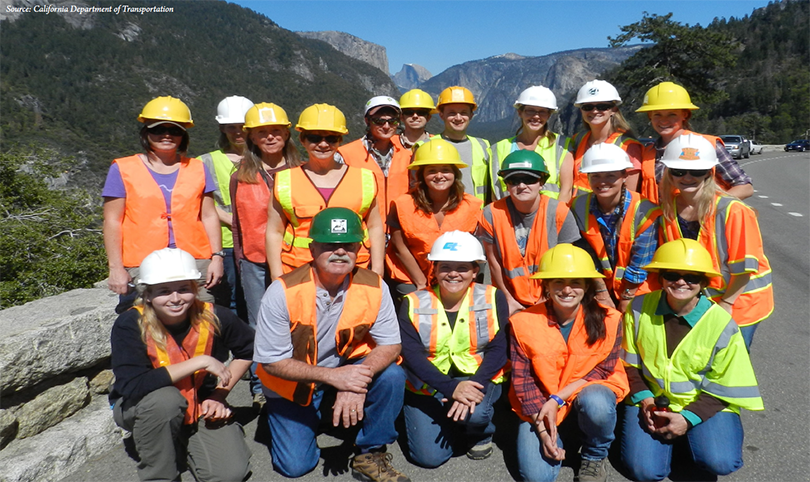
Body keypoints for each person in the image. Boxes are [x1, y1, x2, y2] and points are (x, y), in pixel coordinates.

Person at [254, 208, 410, 481]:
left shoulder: (375, 285)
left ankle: (370, 452)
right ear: (313, 249)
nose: (340, 252)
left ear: (358, 248)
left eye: (348, 245)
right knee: (295, 466)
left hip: (347, 368)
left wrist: (357, 380)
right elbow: (272, 362)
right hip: (292, 384)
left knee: (393, 375)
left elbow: (391, 346)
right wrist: (335, 378)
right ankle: (287, 417)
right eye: (329, 245)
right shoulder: (281, 292)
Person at [621, 239, 764, 482]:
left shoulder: (721, 323)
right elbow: (627, 364)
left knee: (721, 461)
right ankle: (677, 438)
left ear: (704, 283)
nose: (681, 282)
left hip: (704, 403)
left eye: (692, 277)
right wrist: (644, 400)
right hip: (651, 400)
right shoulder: (638, 307)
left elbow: (726, 385)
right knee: (645, 472)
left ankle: (689, 437)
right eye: (672, 274)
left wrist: (688, 419)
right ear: (661, 277)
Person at [109, 248, 253, 482]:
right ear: (147, 294)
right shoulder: (130, 324)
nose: (175, 298)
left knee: (229, 474)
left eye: (184, 289)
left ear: (195, 290)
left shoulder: (216, 316)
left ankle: (178, 439)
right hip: (142, 404)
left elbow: (249, 350)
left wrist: (219, 395)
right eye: (164, 291)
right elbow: (132, 386)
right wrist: (200, 361)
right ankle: (161, 474)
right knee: (166, 401)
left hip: (198, 403)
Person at [509, 244, 629, 482]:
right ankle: (560, 434)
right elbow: (523, 382)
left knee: (596, 403)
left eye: (575, 282)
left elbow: (605, 369)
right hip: (541, 404)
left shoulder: (611, 319)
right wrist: (542, 431)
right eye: (557, 282)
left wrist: (558, 398)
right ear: (546, 286)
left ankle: (594, 456)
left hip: (586, 393)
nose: (566, 289)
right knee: (536, 477)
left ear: (586, 286)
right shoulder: (522, 322)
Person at [102, 96, 223, 311]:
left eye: (174, 130)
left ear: (183, 136)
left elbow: (209, 215)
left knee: (203, 323)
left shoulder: (198, 168)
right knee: (143, 326)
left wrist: (217, 257)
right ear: (146, 133)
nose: (166, 135)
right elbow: (112, 220)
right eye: (158, 130)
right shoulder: (122, 168)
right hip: (141, 263)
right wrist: (115, 268)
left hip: (195, 259)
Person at [398, 231, 508, 467]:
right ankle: (450, 418)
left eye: (462, 268)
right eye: (445, 266)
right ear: (434, 270)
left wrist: (471, 386)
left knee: (477, 414)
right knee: (429, 459)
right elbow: (411, 355)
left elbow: (499, 349)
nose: (453, 274)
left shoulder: (493, 297)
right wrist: (451, 388)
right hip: (429, 383)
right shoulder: (412, 302)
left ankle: (480, 431)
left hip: (477, 377)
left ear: (474, 272)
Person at [657, 134, 773, 348]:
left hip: (739, 301)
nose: (687, 177)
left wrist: (727, 303)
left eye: (697, 171)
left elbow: (744, 269)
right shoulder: (667, 209)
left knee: (730, 367)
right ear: (669, 175)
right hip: (701, 301)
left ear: (710, 173)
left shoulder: (733, 210)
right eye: (679, 171)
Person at [230, 102, 302, 406]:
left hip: (294, 258)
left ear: (286, 134)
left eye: (276, 131)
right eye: (263, 132)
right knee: (260, 324)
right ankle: (262, 388)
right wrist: (240, 260)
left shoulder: (302, 171)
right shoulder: (241, 176)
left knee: (298, 321)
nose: (270, 137)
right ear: (252, 137)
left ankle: (301, 380)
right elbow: (237, 223)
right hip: (254, 261)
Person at [266, 104, 385, 279]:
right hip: (298, 270)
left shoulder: (364, 179)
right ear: (302, 140)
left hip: (354, 270)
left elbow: (375, 227)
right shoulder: (285, 180)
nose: (323, 144)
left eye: (331, 138)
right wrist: (277, 276)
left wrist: (377, 270)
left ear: (340, 140)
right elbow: (274, 231)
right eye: (314, 138)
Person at [478, 150, 585, 314]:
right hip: (510, 300)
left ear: (541, 182)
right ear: (506, 184)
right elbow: (494, 263)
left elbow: (564, 265)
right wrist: (507, 298)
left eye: (529, 179)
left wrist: (546, 301)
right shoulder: (491, 213)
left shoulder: (559, 212)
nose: (521, 186)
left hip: (552, 299)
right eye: (514, 180)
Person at [569, 143, 661, 312]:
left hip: (637, 287)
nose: (602, 182)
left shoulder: (645, 210)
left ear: (625, 175)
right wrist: (601, 291)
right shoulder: (577, 207)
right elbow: (584, 254)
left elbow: (641, 263)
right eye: (595, 175)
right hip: (597, 286)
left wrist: (627, 298)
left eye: (610, 176)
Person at [388, 138, 482, 298]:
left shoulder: (473, 206)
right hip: (410, 276)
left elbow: (476, 251)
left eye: (445, 170)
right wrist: (420, 283)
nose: (439, 176)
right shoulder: (401, 204)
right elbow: (399, 247)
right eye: (432, 171)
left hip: (455, 277)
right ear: (422, 174)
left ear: (455, 173)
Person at [635, 81, 753, 203]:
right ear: (650, 116)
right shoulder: (647, 152)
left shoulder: (707, 145)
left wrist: (711, 207)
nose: (663, 121)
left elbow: (745, 187)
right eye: (657, 115)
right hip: (660, 221)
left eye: (672, 114)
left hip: (702, 220)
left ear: (684, 115)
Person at [198, 95, 255, 312]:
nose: (238, 132)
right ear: (222, 128)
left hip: (258, 242)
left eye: (243, 127)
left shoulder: (268, 160)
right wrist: (233, 220)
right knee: (229, 301)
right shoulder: (205, 162)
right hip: (226, 243)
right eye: (231, 127)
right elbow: (203, 203)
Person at [490, 85, 574, 203]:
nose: (536, 116)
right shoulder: (499, 148)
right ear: (520, 112)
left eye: (543, 112)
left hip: (549, 217)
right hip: (507, 218)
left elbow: (566, 190)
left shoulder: (562, 145)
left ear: (549, 115)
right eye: (530, 111)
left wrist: (555, 219)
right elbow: (496, 193)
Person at [337, 96, 412, 221]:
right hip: (363, 231)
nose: (386, 126)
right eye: (379, 121)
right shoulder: (345, 155)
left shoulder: (408, 156)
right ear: (367, 121)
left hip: (399, 232)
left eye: (392, 121)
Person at [570, 80, 643, 195]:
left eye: (602, 106)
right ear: (581, 110)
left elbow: (630, 194)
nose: (594, 111)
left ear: (613, 110)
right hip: (576, 209)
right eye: (587, 107)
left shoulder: (628, 146)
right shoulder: (577, 140)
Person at [433, 86, 492, 203]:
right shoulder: (428, 146)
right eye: (452, 113)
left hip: (477, 216)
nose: (458, 118)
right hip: (439, 217)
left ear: (471, 115)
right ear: (441, 115)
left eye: (463, 113)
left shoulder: (483, 146)